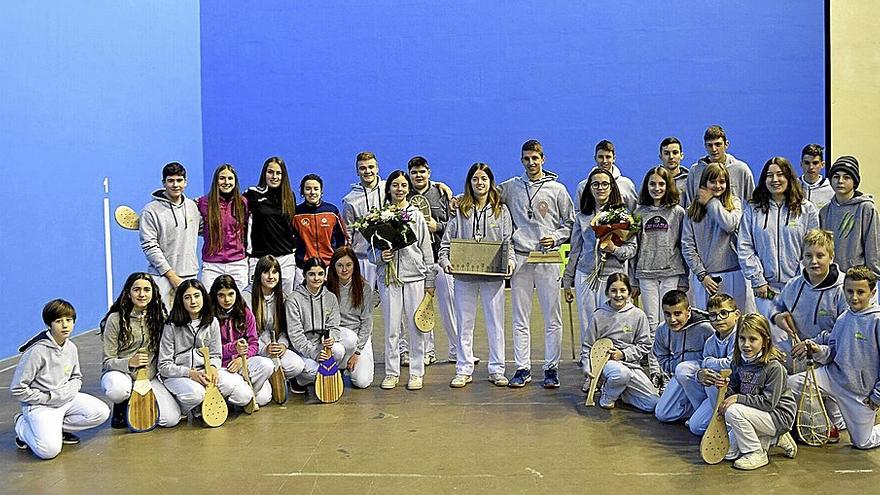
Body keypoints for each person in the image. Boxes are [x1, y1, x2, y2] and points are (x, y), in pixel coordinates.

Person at [500, 139, 574, 389]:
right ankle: (522, 368)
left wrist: (555, 237)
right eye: (526, 159)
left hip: (548, 258)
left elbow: (570, 224)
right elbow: (485, 194)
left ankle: (551, 368)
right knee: (520, 317)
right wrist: (451, 194)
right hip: (521, 257)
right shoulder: (511, 187)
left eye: (535, 158)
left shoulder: (558, 189)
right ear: (521, 161)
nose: (531, 163)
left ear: (544, 159)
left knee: (552, 316)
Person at [439, 163, 515, 388]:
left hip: (493, 276)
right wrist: (445, 262)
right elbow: (446, 243)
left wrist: (510, 261)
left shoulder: (501, 210)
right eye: (475, 179)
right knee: (465, 324)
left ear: (490, 182)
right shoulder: (460, 209)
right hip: (464, 277)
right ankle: (463, 369)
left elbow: (508, 242)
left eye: (483, 179)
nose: (479, 183)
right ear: (469, 182)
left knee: (495, 324)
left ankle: (497, 369)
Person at [790, 266, 880, 449]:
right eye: (850, 291)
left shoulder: (876, 321)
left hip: (859, 393)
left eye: (860, 292)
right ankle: (826, 425)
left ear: (873, 292)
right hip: (832, 377)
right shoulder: (843, 318)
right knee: (791, 384)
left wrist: (877, 396)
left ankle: (847, 420)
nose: (854, 297)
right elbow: (831, 353)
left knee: (863, 443)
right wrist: (817, 350)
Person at [11, 300, 110, 459]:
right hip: (41, 404)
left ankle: (55, 429)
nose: (65, 325)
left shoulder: (71, 347)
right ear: (49, 324)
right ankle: (22, 426)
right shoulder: (37, 351)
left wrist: (66, 393)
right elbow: (17, 389)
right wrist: (47, 398)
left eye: (69, 320)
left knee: (101, 412)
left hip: (65, 399)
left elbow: (76, 377)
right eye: (59, 321)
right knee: (48, 451)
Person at [369, 171, 435, 391]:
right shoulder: (379, 216)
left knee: (416, 328)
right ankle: (391, 372)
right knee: (391, 328)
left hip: (414, 278)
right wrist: (381, 257)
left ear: (408, 188)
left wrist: (430, 279)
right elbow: (371, 252)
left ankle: (417, 372)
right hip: (389, 280)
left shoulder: (415, 215)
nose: (399, 189)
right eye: (395, 185)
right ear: (388, 189)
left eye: (403, 185)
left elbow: (426, 250)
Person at [738, 157, 819, 329]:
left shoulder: (806, 209)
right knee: (770, 339)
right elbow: (745, 246)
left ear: (789, 177)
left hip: (798, 287)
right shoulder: (753, 209)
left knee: (797, 335)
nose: (775, 180)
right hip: (766, 290)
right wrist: (757, 279)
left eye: (780, 175)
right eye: (769, 175)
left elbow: (813, 248)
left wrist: (803, 280)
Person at [158, 279, 254, 419]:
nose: (193, 301)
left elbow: (216, 354)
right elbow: (163, 366)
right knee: (196, 394)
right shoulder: (171, 326)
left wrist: (214, 368)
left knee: (244, 395)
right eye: (187, 297)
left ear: (204, 297)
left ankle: (212, 404)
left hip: (205, 371)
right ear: (181, 301)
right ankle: (184, 406)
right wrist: (190, 373)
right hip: (180, 375)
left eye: (197, 296)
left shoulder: (212, 321)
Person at [563, 168, 636, 349]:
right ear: (589, 188)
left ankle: (615, 358)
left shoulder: (623, 216)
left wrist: (614, 249)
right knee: (588, 321)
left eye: (604, 184)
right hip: (586, 275)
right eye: (595, 184)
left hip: (614, 276)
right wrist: (567, 280)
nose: (600, 188)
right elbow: (575, 250)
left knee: (614, 320)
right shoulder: (582, 217)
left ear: (612, 187)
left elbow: (632, 249)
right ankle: (589, 359)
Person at [716, 313, 797, 470]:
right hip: (755, 412)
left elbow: (768, 403)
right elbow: (733, 390)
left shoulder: (774, 368)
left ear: (765, 341)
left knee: (733, 411)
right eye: (742, 339)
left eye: (752, 339)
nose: (746, 344)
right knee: (729, 453)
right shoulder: (738, 363)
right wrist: (724, 387)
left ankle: (756, 452)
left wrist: (737, 398)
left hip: (777, 416)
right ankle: (774, 439)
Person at [100, 273, 181, 429]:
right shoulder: (115, 319)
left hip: (149, 377)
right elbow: (107, 361)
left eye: (146, 289)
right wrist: (129, 362)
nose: (142, 294)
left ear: (153, 293)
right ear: (128, 293)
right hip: (122, 374)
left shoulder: (160, 318)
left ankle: (139, 400)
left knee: (170, 420)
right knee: (117, 389)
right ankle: (122, 404)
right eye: (136, 290)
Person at [633, 166, 687, 384]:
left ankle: (671, 370)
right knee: (652, 322)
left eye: (661, 184)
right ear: (647, 186)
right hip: (646, 274)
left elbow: (683, 245)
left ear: (669, 186)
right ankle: (656, 371)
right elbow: (633, 246)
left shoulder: (678, 213)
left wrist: (684, 279)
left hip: (671, 273)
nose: (657, 188)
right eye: (653, 184)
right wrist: (633, 278)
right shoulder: (638, 213)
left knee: (672, 321)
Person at [682, 163, 754, 313]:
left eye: (722, 182)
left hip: (734, 274)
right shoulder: (691, 211)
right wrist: (702, 275)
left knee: (735, 319)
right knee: (709, 321)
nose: (717, 185)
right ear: (704, 183)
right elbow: (687, 246)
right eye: (713, 181)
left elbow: (729, 225)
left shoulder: (734, 203)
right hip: (705, 278)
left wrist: (710, 202)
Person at [582, 273, 658, 412]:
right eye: (613, 290)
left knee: (652, 405)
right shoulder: (598, 315)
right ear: (607, 293)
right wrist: (587, 367)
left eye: (622, 290)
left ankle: (621, 391)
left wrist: (623, 354)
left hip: (631, 365)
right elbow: (588, 346)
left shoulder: (638, 315)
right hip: (607, 365)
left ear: (629, 292)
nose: (618, 295)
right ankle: (608, 396)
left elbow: (645, 345)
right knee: (621, 374)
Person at [408, 156, 457, 366]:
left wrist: (438, 227)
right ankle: (427, 352)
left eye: (422, 171)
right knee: (422, 309)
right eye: (414, 172)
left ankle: (458, 350)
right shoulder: (402, 194)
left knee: (450, 305)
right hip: (417, 264)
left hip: (441, 259)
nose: (418, 176)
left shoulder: (441, 193)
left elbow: (454, 224)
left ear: (429, 172)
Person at [286, 258, 358, 395]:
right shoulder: (293, 300)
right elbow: (295, 335)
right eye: (312, 274)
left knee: (340, 349)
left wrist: (331, 338)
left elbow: (334, 326)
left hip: (321, 345)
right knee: (314, 371)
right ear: (304, 275)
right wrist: (315, 353)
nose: (316, 278)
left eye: (320, 274)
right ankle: (299, 380)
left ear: (324, 275)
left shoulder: (330, 297)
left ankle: (336, 373)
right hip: (303, 349)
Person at [140, 161, 201, 307]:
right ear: (164, 183)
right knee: (163, 322)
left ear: (185, 182)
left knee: (188, 321)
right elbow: (150, 247)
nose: (175, 185)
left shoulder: (192, 206)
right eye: (171, 181)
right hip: (161, 277)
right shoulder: (150, 210)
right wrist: (171, 275)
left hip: (190, 273)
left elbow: (203, 229)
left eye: (179, 180)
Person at [243, 255, 307, 392]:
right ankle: (264, 381)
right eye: (266, 272)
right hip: (255, 351)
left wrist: (283, 345)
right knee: (263, 397)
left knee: (297, 365)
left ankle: (275, 379)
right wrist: (263, 349)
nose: (271, 276)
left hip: (275, 347)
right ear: (258, 274)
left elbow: (286, 329)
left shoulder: (282, 297)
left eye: (275, 272)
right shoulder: (246, 298)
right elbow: (245, 335)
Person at [210, 275, 275, 407]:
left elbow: (254, 343)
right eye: (221, 295)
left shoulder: (245, 312)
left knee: (267, 368)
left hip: (243, 361)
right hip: (222, 365)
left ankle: (246, 392)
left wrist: (242, 357)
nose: (227, 299)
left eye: (231, 294)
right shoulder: (210, 317)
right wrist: (233, 348)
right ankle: (236, 396)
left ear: (236, 293)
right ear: (215, 297)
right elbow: (211, 350)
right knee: (244, 396)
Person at [653, 290, 714, 423]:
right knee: (663, 414)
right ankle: (695, 412)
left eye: (677, 313)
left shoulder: (707, 327)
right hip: (680, 373)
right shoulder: (662, 329)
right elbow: (661, 357)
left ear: (688, 311)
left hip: (706, 377)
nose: (672, 319)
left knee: (683, 369)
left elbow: (717, 355)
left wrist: (699, 370)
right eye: (667, 314)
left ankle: (702, 412)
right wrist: (676, 367)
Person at [326, 246, 379, 389]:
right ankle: (339, 367)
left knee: (362, 382)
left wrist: (357, 352)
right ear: (333, 267)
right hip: (337, 336)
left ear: (354, 266)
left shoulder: (364, 288)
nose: (344, 270)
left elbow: (367, 322)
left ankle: (347, 365)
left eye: (348, 265)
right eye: (340, 265)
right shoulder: (326, 287)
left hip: (359, 337)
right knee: (346, 341)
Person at [245, 156, 300, 293]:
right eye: (270, 172)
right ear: (264, 174)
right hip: (259, 258)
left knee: (285, 302)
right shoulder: (252, 194)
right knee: (257, 302)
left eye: (278, 173)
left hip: (285, 259)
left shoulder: (289, 196)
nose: (274, 176)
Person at [818, 156, 880, 275]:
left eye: (846, 177)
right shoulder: (825, 211)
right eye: (836, 177)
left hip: (858, 278)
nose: (840, 181)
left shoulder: (866, 208)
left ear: (855, 182)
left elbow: (873, 248)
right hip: (831, 278)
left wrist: (873, 277)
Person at [688, 293, 740, 436]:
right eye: (713, 315)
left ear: (736, 314)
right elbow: (705, 364)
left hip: (739, 391)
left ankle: (733, 427)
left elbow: (731, 364)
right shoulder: (711, 341)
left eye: (724, 313)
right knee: (696, 427)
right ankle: (720, 420)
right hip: (717, 392)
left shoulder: (741, 336)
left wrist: (710, 362)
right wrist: (708, 365)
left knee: (716, 379)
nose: (718, 319)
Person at [198, 164, 250, 291]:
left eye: (230, 178)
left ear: (235, 181)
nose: (226, 182)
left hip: (237, 263)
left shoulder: (243, 203)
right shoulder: (203, 202)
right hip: (212, 264)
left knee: (241, 303)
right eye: (222, 178)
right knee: (210, 305)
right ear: (216, 181)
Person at [342, 151, 387, 290]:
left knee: (389, 306)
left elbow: (413, 185)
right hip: (363, 260)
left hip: (387, 257)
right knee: (364, 306)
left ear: (377, 168)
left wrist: (438, 184)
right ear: (357, 171)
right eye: (362, 168)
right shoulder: (350, 200)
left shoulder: (389, 189)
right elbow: (348, 233)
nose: (367, 171)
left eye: (371, 167)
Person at [685, 125, 755, 205]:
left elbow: (752, 202)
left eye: (718, 144)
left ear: (726, 144)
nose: (714, 149)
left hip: (732, 216)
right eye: (710, 145)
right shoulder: (695, 171)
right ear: (705, 146)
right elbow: (689, 204)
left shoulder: (741, 169)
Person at [293, 173, 346, 269]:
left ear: (321, 191)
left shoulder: (332, 211)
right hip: (303, 267)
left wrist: (337, 259)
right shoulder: (296, 214)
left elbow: (341, 238)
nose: (312, 192)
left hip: (329, 266)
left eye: (316, 189)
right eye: (308, 189)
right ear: (302, 192)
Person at [574, 139, 638, 211]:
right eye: (600, 157)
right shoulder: (583, 186)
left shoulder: (626, 184)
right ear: (595, 158)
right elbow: (577, 212)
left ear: (614, 158)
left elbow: (635, 212)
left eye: (608, 157)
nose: (604, 161)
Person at [799, 144, 834, 210]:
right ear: (801, 164)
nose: (811, 167)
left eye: (815, 163)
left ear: (822, 164)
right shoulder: (793, 187)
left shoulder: (832, 189)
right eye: (807, 163)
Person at [658, 137, 688, 207]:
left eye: (675, 152)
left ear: (681, 156)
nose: (671, 157)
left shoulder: (689, 180)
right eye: (666, 153)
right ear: (660, 157)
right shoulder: (652, 180)